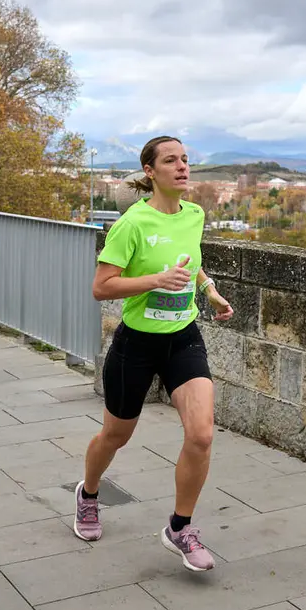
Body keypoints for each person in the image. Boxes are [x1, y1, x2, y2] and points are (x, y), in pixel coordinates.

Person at [72, 136, 234, 573]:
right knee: (116, 436)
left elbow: (191, 261)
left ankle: (180, 528)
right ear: (150, 171)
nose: (182, 167)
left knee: (201, 435)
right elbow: (101, 287)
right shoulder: (132, 223)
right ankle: (88, 494)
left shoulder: (195, 214)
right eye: (171, 161)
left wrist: (209, 292)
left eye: (185, 159)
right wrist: (154, 281)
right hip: (136, 344)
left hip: (182, 337)